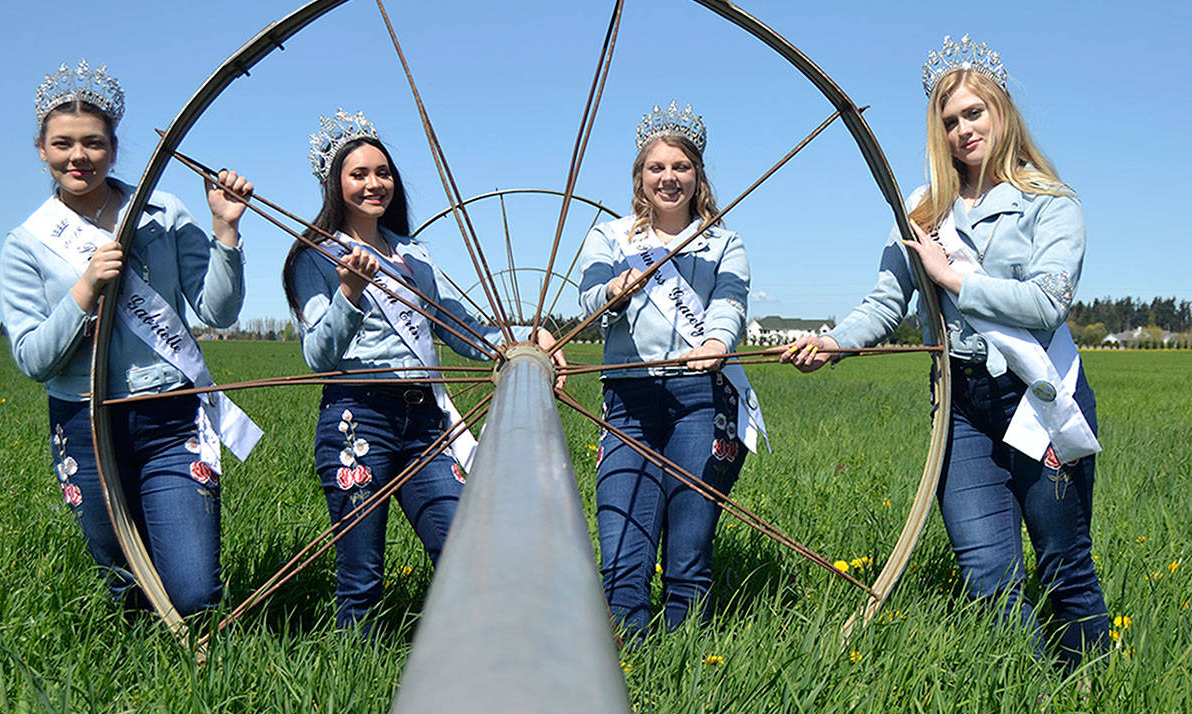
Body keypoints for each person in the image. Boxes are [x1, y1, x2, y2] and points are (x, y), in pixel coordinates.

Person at [782, 35, 1107, 668]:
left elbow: (1046, 305)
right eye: (949, 120)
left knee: (1063, 565)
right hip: (960, 405)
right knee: (988, 574)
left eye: (974, 113)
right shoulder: (924, 211)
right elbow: (884, 303)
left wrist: (954, 278)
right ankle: (1028, 705)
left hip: (1039, 394)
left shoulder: (1052, 204)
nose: (962, 130)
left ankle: (1092, 697)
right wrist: (834, 341)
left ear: (1002, 112)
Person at [283, 109, 564, 632]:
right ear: (334, 183)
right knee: (361, 572)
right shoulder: (315, 258)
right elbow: (319, 356)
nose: (375, 184)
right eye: (359, 174)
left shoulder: (414, 256)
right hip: (359, 419)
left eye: (383, 173)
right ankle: (354, 676)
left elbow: (457, 327)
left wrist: (525, 339)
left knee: (463, 548)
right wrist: (349, 291)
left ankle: (474, 663)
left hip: (426, 421)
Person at [0, 60, 257, 616]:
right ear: (42, 150)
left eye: (93, 143)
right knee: (128, 585)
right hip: (85, 423)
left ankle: (202, 671)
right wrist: (86, 287)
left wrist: (226, 231)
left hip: (170, 413)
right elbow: (33, 359)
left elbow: (218, 309)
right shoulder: (27, 244)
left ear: (114, 149)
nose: (79, 157)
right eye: (63, 144)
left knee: (193, 592)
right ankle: (140, 679)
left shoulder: (163, 212)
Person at [577, 101, 760, 637]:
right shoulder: (612, 239)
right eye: (656, 167)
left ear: (697, 176)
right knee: (622, 540)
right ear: (640, 177)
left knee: (688, 548)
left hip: (700, 399)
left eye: (680, 167)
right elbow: (585, 297)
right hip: (629, 401)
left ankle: (685, 660)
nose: (669, 178)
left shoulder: (723, 242)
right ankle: (627, 658)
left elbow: (731, 301)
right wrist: (612, 290)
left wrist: (717, 341)